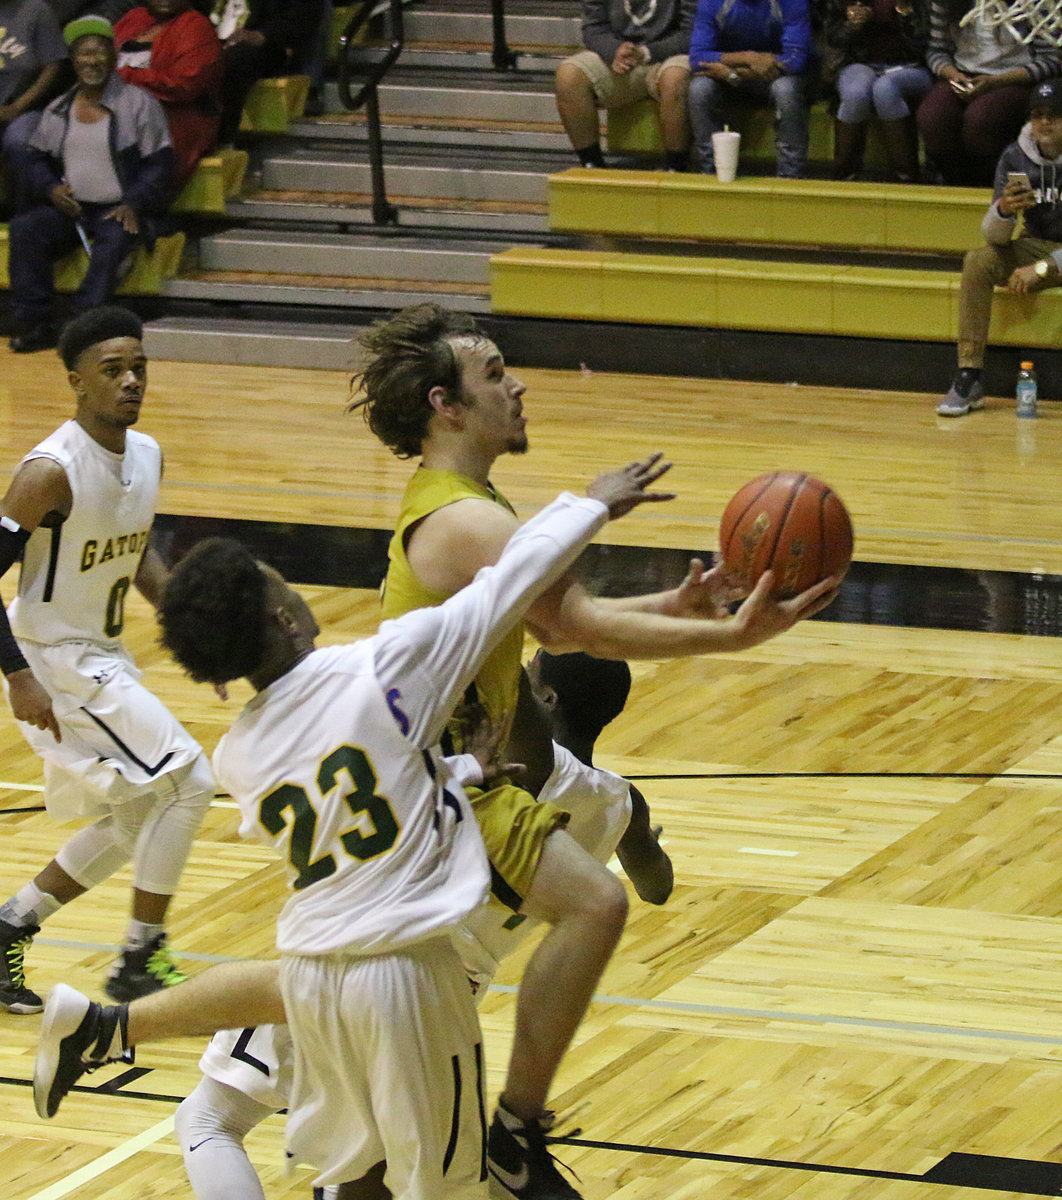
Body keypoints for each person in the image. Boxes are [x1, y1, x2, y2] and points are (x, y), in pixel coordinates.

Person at [34, 454, 673, 1200]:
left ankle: (109, 1028)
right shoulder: (382, 672)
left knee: (345, 1173)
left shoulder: (240, 751)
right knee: (441, 1187)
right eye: (284, 583)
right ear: (285, 616)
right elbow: (507, 583)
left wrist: (453, 775)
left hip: (314, 977)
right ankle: (108, 1028)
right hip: (406, 974)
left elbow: (363, 796)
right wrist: (591, 504)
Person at [352, 303, 838, 1200]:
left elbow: (555, 628)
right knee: (588, 908)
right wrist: (731, 636)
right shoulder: (464, 522)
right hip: (428, 793)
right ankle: (513, 1133)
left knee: (395, 1085)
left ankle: (502, 1138)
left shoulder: (472, 509)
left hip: (456, 782)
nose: (517, 385)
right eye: (494, 374)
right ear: (445, 406)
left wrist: (683, 607)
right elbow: (580, 626)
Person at [166, 648, 641, 1200]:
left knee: (210, 1120)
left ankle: (112, 1027)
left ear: (545, 701)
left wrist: (495, 629)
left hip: (367, 951)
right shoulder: (620, 804)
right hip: (449, 994)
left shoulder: (521, 770)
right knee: (372, 1166)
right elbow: (656, 884)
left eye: (529, 672)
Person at [0, 306, 215, 1014]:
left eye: (139, 368)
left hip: (103, 654)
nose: (130, 381)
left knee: (140, 807)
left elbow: (137, 555)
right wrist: (20, 678)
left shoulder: (146, 454)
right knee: (188, 778)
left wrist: (196, 637)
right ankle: (140, 957)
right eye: (113, 370)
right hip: (54, 658)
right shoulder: (49, 472)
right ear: (76, 381)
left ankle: (9, 926)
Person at [6, 15, 174, 353]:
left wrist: (135, 203)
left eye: (99, 52)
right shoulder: (59, 108)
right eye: (83, 53)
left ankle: (78, 325)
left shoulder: (139, 104)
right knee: (26, 229)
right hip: (74, 210)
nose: (91, 61)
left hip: (120, 209)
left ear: (112, 57)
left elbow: (160, 165)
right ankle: (36, 321)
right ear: (73, 60)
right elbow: (35, 158)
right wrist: (51, 189)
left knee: (112, 243)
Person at [935, 78, 1062, 417]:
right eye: (1038, 115)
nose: (1045, 122)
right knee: (978, 261)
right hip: (1035, 244)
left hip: (1052, 258)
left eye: (1053, 115)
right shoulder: (1014, 156)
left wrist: (1042, 269)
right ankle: (969, 376)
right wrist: (1004, 211)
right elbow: (995, 238)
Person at [916, 0, 1061, 187]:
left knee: (981, 119)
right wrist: (954, 75)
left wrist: (996, 82)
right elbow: (936, 51)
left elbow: (1052, 61)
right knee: (933, 116)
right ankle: (952, 183)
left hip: (1016, 78)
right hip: (961, 73)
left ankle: (988, 184)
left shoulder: (1034, 4)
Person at [553, 0, 693, 171]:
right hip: (622, 57)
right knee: (569, 75)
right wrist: (614, 51)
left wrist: (647, 52)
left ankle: (676, 166)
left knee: (675, 78)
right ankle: (592, 165)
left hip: (669, 55)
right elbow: (593, 28)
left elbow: (691, 32)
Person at [687, 0, 816, 178]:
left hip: (778, 76)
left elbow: (795, 60)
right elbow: (697, 58)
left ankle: (791, 175)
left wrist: (734, 73)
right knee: (700, 89)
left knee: (786, 90)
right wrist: (748, 58)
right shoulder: (713, 2)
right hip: (730, 77)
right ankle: (711, 171)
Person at [114, 0, 222, 186]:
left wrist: (124, 76)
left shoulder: (197, 26)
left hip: (171, 124)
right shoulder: (133, 18)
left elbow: (184, 83)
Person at [821, 0, 931, 181]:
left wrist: (906, 16)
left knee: (885, 89)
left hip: (911, 65)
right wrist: (852, 26)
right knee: (856, 93)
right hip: (861, 63)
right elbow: (833, 38)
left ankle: (906, 175)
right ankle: (844, 174)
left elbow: (927, 43)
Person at [209, 0, 321, 147]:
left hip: (266, 45)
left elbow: (301, 17)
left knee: (236, 59)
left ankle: (223, 139)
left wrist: (262, 35)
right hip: (210, 33)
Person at [0, 0, 68, 212]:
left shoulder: (36, 10)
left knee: (18, 140)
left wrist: (17, 107)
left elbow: (53, 67)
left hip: (29, 106)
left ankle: (23, 213)